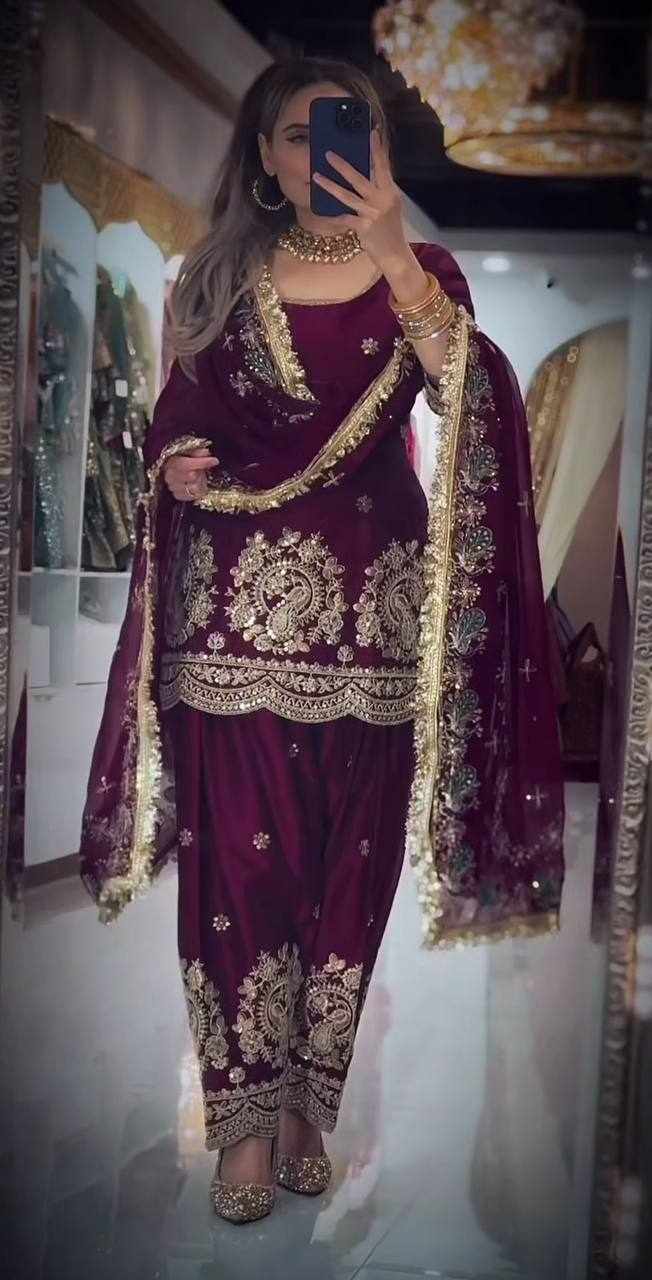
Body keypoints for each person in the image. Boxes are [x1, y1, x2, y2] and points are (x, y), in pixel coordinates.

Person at [79, 58, 565, 1224]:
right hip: (231, 622)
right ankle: (243, 1124)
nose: (324, 154)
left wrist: (393, 249)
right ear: (263, 157)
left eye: (350, 132)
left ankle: (310, 1107)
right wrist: (175, 464)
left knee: (349, 874)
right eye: (299, 135)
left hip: (374, 627)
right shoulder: (217, 277)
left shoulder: (422, 271)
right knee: (239, 874)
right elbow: (179, 417)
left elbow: (470, 398)